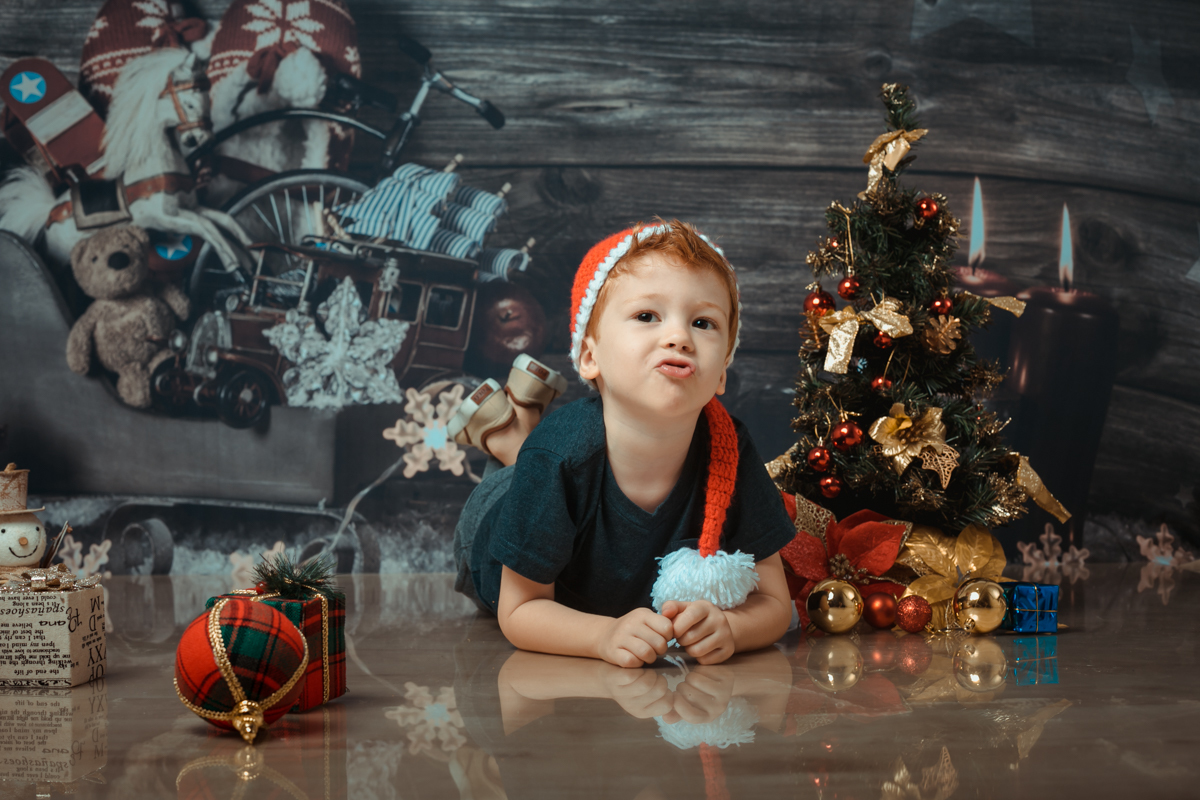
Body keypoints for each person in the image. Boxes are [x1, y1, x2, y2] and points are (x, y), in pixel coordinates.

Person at [450, 219, 795, 668]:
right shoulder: (557, 455)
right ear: (590, 357)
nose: (679, 337)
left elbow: (774, 603)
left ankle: (520, 430)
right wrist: (601, 635)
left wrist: (732, 627)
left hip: (569, 481)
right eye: (647, 316)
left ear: (724, 369)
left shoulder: (731, 449)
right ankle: (513, 443)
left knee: (561, 474)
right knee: (530, 474)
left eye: (703, 322)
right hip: (492, 529)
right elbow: (520, 612)